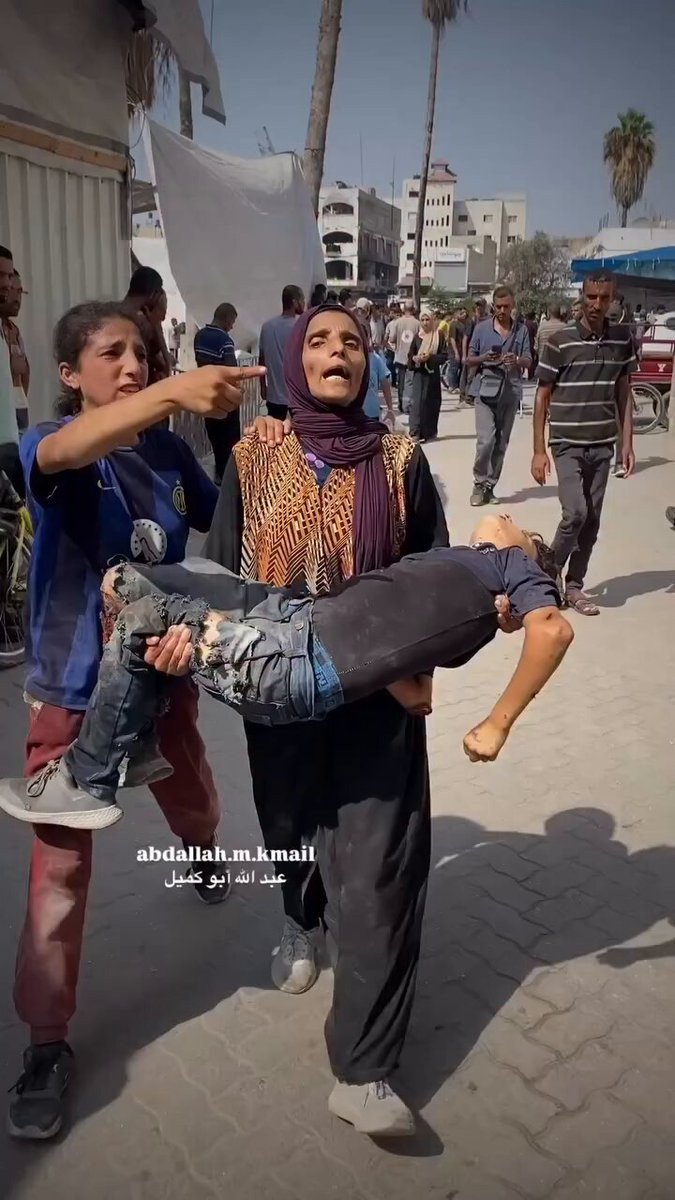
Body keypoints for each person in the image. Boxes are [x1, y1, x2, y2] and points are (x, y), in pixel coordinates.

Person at [4, 299, 263, 1141]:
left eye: (141, 354)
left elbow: (216, 521)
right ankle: (47, 1041)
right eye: (111, 354)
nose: (132, 365)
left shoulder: (166, 451)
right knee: (59, 871)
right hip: (70, 694)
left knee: (195, 798)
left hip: (162, 676)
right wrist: (173, 392)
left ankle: (202, 852)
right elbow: (70, 449)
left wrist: (233, 432)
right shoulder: (54, 444)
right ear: (69, 373)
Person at [203, 302, 448, 1136]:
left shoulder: (402, 459)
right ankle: (297, 920)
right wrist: (213, 655)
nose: (337, 350)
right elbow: (223, 572)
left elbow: (433, 578)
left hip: (376, 693)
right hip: (279, 690)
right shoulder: (253, 453)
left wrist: (417, 671)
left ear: (369, 363)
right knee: (288, 822)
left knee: (381, 869)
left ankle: (365, 1071)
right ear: (293, 363)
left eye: (351, 341)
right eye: (319, 340)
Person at [0, 514, 573, 835]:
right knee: (127, 581)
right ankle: (140, 738)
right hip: (292, 614)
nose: (508, 518)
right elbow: (414, 685)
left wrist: (496, 723)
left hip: (295, 661)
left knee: (144, 620)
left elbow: (552, 631)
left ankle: (86, 780)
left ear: (529, 562)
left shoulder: (511, 571)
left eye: (524, 529)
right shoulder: (461, 566)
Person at [532, 270, 636, 616]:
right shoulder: (560, 341)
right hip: (566, 443)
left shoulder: (621, 339)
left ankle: (574, 586)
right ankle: (546, 571)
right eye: (591, 296)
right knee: (575, 513)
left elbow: (624, 392)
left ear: (612, 300)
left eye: (604, 298)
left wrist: (627, 443)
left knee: (592, 521)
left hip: (602, 443)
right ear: (582, 296)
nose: (597, 304)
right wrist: (538, 451)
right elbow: (542, 396)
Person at [466, 285, 532, 506]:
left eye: (507, 306)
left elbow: (529, 360)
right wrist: (485, 357)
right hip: (484, 391)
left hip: (510, 391)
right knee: (486, 441)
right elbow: (469, 359)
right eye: (499, 306)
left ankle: (489, 486)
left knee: (501, 443)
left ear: (513, 306)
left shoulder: (521, 330)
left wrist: (517, 360)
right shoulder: (481, 328)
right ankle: (478, 482)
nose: (503, 311)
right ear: (493, 306)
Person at [194, 302, 241, 485]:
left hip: (207, 397)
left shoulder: (199, 336)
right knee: (230, 444)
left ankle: (219, 477)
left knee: (216, 441)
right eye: (232, 321)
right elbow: (231, 371)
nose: (232, 326)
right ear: (226, 317)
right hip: (225, 399)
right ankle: (229, 482)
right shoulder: (225, 340)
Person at [258, 285, 306, 420]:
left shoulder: (267, 326)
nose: (304, 304)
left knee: (275, 431)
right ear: (295, 302)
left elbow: (261, 359)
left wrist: (263, 386)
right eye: (302, 300)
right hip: (297, 396)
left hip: (273, 396)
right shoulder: (300, 326)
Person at [124, 266, 172, 385]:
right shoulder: (143, 324)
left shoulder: (113, 312)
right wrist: (157, 325)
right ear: (152, 294)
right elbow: (165, 366)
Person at [407, 310, 448, 443]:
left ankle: (429, 432)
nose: (425, 323)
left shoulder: (438, 335)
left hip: (432, 375)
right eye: (423, 320)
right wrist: (415, 359)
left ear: (432, 320)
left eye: (427, 320)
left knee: (432, 402)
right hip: (420, 374)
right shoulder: (417, 337)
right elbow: (410, 355)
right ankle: (415, 432)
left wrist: (430, 357)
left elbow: (444, 356)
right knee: (418, 403)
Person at [0, 245, 21, 494]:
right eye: (0, 275)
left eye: (8, 276)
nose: (6, 283)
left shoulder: (6, 332)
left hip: (9, 445)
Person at [1, 269, 30, 431]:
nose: (17, 298)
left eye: (20, 292)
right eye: (13, 290)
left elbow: (24, 370)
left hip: (18, 409)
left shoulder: (14, 331)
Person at [388, 299, 420, 413]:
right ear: (413, 309)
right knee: (410, 382)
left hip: (400, 356)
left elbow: (391, 339)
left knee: (401, 381)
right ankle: (408, 405)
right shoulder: (417, 323)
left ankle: (401, 404)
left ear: (403, 309)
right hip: (412, 357)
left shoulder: (397, 322)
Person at [363, 335, 395, 428]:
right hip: (353, 415)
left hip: (372, 414)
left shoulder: (376, 359)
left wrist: (390, 410)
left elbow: (385, 385)